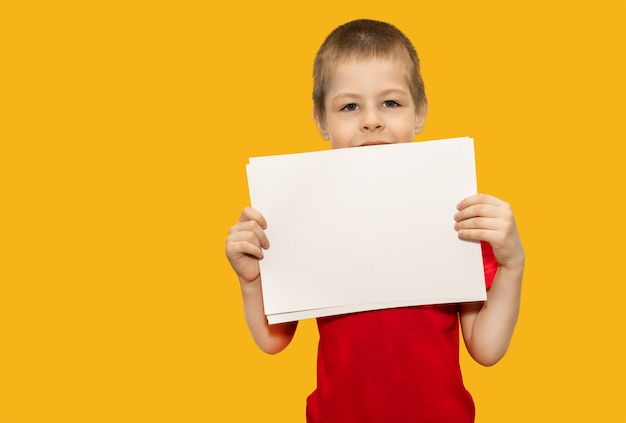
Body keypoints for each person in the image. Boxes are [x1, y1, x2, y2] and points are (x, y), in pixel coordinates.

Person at [225, 19, 524, 423]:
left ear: (419, 113)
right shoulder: (300, 215)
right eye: (350, 106)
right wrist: (252, 281)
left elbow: (486, 349)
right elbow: (273, 340)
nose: (371, 121)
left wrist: (512, 265)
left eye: (391, 103)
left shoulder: (456, 216)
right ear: (320, 119)